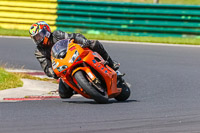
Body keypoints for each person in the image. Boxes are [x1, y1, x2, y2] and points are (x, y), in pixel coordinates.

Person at [29, 21, 119, 99]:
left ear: (46, 31)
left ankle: (110, 63)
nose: (38, 39)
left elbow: (73, 37)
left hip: (74, 54)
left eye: (39, 36)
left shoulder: (57, 35)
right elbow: (46, 67)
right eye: (35, 38)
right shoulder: (39, 52)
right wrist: (53, 73)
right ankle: (79, 86)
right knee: (63, 94)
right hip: (63, 67)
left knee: (94, 43)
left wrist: (83, 41)